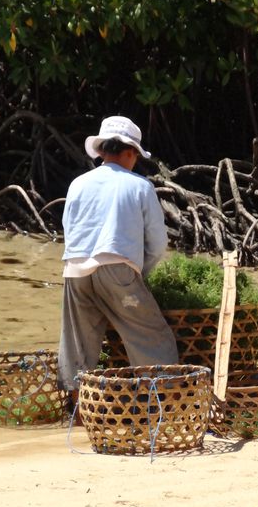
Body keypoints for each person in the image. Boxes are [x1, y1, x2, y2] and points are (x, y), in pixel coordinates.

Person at [57, 115, 179, 411]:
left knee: (78, 341)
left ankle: (78, 408)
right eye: (135, 155)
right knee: (153, 337)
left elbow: (68, 228)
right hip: (117, 269)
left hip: (75, 269)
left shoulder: (78, 183)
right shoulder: (139, 186)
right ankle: (159, 408)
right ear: (128, 152)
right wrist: (138, 275)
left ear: (102, 151)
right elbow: (158, 242)